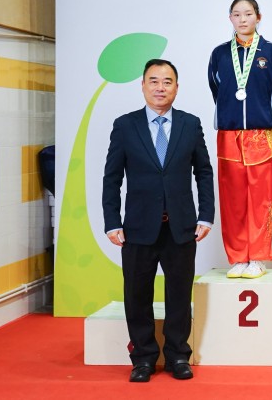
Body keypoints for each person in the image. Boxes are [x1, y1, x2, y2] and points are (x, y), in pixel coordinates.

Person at [102, 59, 215, 382]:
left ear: (177, 87)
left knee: (179, 294)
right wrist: (112, 221)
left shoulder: (190, 124)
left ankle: (178, 356)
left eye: (167, 82)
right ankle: (143, 358)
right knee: (137, 295)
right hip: (138, 228)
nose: (160, 88)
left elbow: (203, 172)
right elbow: (112, 178)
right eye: (154, 81)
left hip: (181, 226)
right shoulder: (125, 126)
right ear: (143, 86)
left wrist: (206, 215)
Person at [208, 0, 272, 279]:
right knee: (232, 200)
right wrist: (232, 113)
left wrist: (263, 115)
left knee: (261, 199)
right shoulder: (219, 54)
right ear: (230, 18)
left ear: (258, 17)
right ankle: (238, 257)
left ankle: (258, 257)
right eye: (237, 14)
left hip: (261, 135)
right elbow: (216, 89)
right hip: (229, 135)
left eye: (248, 13)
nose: (242, 19)